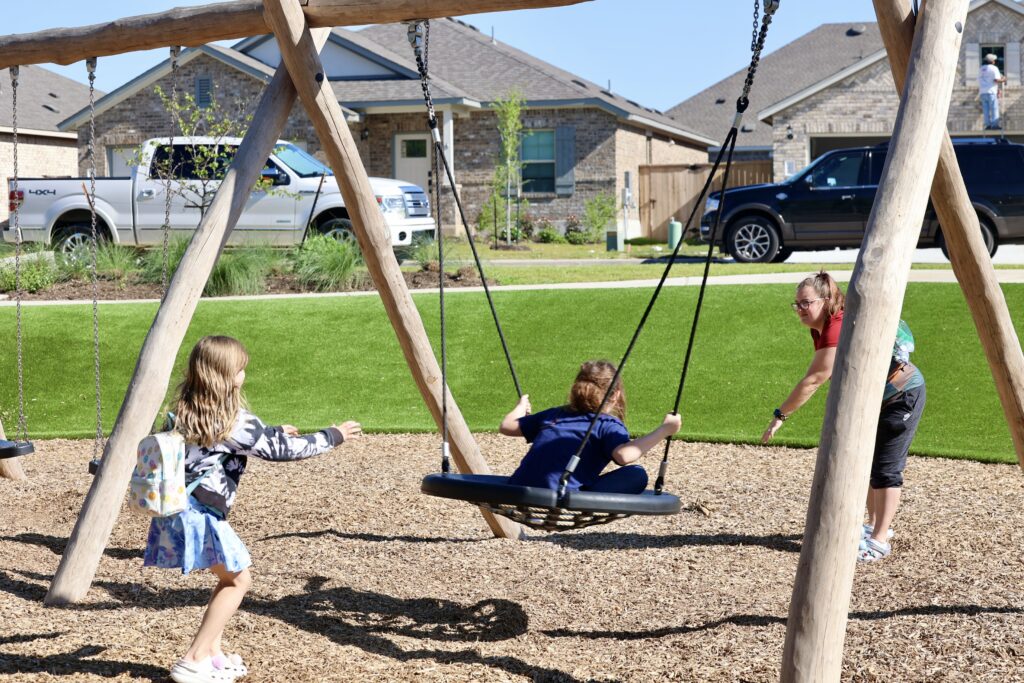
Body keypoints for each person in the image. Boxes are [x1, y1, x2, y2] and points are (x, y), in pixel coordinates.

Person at [143, 336, 361, 683]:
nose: (244, 374)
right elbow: (283, 451)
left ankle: (213, 655)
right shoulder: (234, 421)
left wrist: (272, 431)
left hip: (178, 510)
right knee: (239, 579)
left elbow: (230, 444)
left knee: (229, 577)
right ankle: (193, 659)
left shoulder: (185, 409)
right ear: (227, 376)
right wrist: (333, 435)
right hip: (200, 514)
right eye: (240, 369)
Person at [761, 272, 926, 563]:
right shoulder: (823, 327)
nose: (799, 309)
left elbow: (815, 378)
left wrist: (780, 415)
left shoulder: (837, 326)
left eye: (806, 303)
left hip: (901, 395)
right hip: (877, 398)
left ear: (825, 301)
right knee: (870, 463)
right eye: (796, 303)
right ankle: (873, 526)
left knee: (887, 468)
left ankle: (879, 539)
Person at [501, 359, 681, 494]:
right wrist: (664, 429)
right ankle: (580, 491)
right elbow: (624, 455)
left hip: (518, 490)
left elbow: (507, 426)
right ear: (615, 395)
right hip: (562, 497)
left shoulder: (556, 414)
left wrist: (520, 407)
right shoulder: (607, 424)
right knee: (637, 474)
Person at [979, 52, 1006, 130]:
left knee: (986, 109)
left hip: (983, 92)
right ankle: (995, 125)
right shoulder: (994, 68)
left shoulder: (981, 68)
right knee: (994, 108)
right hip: (991, 91)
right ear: (992, 61)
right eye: (994, 60)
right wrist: (1004, 80)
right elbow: (996, 80)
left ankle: (988, 125)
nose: (995, 61)